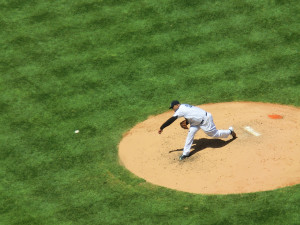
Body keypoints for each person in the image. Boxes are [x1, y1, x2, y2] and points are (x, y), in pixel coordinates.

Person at [158, 100, 237, 160]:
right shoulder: (183, 106)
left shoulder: (180, 109)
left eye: (173, 107)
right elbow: (193, 114)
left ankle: (230, 131)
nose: (173, 109)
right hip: (197, 122)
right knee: (190, 133)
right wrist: (188, 121)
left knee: (214, 134)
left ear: (177, 105)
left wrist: (162, 127)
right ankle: (186, 153)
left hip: (205, 120)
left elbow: (172, 119)